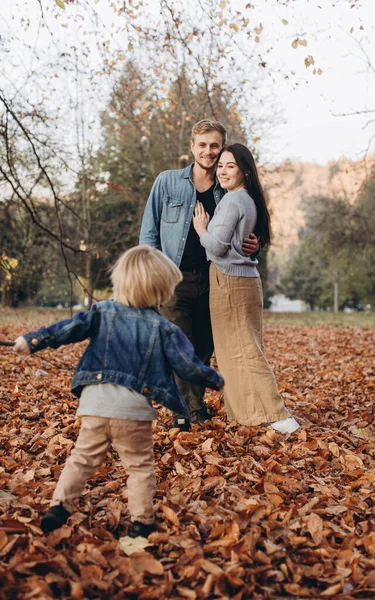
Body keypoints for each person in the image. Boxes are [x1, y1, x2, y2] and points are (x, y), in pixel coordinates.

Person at [13, 245, 224, 536]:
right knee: (139, 468)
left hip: (95, 406)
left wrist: (33, 340)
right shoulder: (164, 328)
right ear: (161, 291)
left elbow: (66, 330)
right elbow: (188, 366)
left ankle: (59, 506)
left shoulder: (102, 312)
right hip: (133, 412)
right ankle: (141, 522)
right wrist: (216, 379)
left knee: (81, 459)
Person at [139, 119, 258, 429]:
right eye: (202, 145)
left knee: (204, 345)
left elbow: (245, 231)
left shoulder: (228, 187)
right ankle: (184, 409)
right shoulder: (167, 182)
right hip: (173, 277)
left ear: (222, 149)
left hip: (216, 279)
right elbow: (149, 232)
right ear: (192, 147)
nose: (208, 151)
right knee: (180, 344)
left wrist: (255, 245)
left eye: (215, 145)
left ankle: (194, 404)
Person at [192, 143, 300, 433]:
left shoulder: (233, 201)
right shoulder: (246, 199)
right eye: (222, 165)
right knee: (232, 352)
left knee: (245, 351)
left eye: (231, 166)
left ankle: (280, 417)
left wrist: (202, 229)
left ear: (245, 171)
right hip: (242, 281)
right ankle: (246, 414)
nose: (224, 171)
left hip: (231, 281)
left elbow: (216, 246)